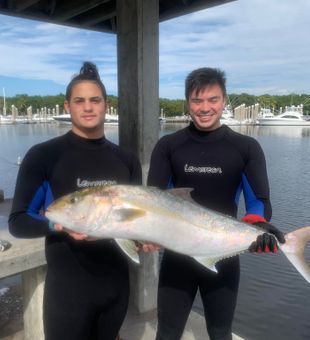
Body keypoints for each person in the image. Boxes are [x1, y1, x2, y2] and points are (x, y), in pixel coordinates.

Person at [147, 67, 286, 340]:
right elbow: (155, 200)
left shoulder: (245, 147)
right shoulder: (168, 146)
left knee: (220, 333)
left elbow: (259, 202)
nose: (205, 108)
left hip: (225, 255)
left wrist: (256, 226)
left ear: (224, 100)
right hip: (178, 258)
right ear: (188, 102)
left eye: (213, 100)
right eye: (197, 101)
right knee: (167, 333)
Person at [9, 62, 142, 340]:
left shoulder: (126, 161)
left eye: (95, 100)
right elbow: (19, 221)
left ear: (107, 105)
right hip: (68, 293)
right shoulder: (43, 155)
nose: (88, 107)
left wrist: (145, 238)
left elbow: (133, 221)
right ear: (68, 106)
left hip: (116, 286)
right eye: (79, 101)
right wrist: (60, 227)